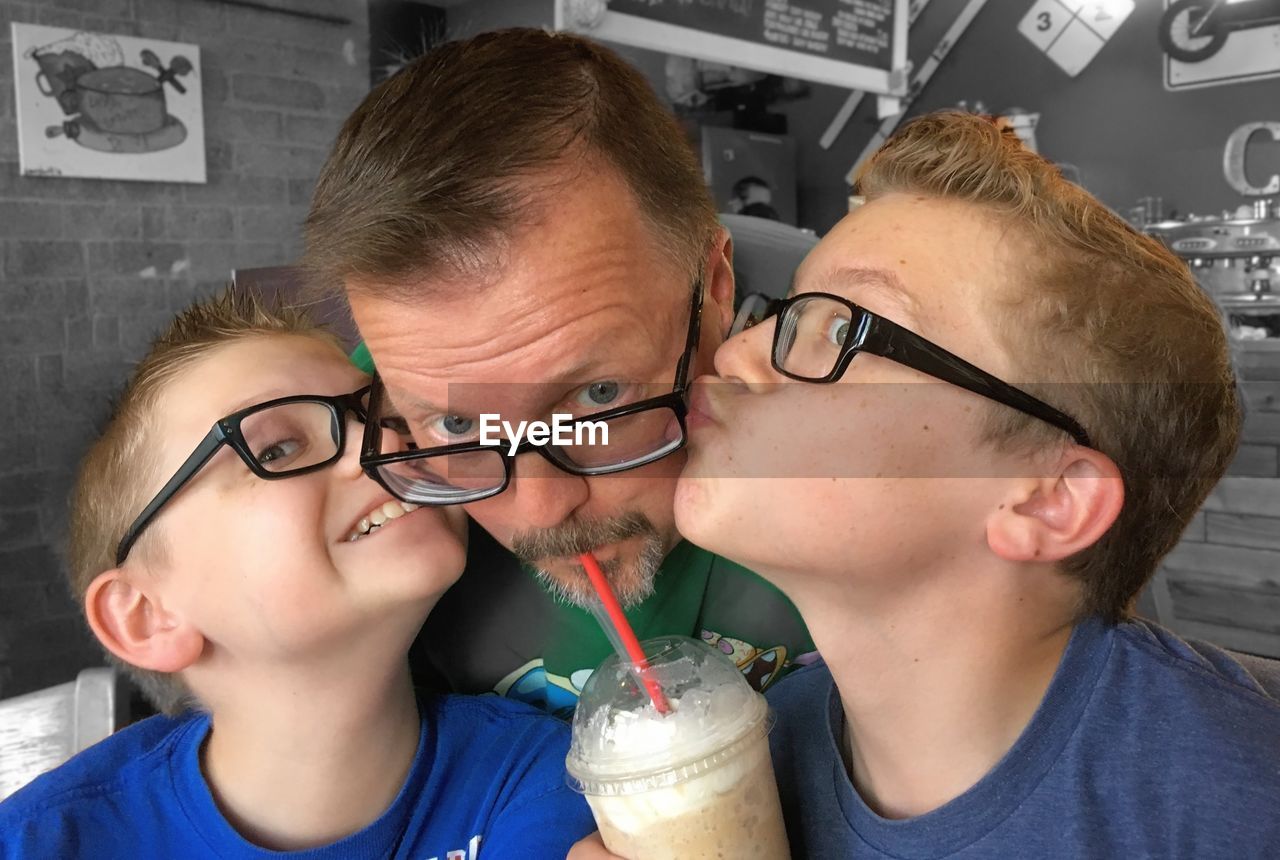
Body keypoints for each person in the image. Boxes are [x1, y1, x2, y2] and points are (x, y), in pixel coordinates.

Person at [664, 111, 1279, 856]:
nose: (736, 354)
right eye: (785, 313)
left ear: (1048, 498)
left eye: (841, 330)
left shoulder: (1237, 799)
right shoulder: (754, 761)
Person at [303, 28, 814, 719]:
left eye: (598, 395)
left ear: (715, 286)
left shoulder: (870, 421)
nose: (541, 512)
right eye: (458, 422)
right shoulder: (361, 468)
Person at [0, 290, 594, 858]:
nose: (385, 442)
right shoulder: (43, 841)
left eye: (386, 413)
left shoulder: (541, 782)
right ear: (146, 617)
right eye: (278, 448)